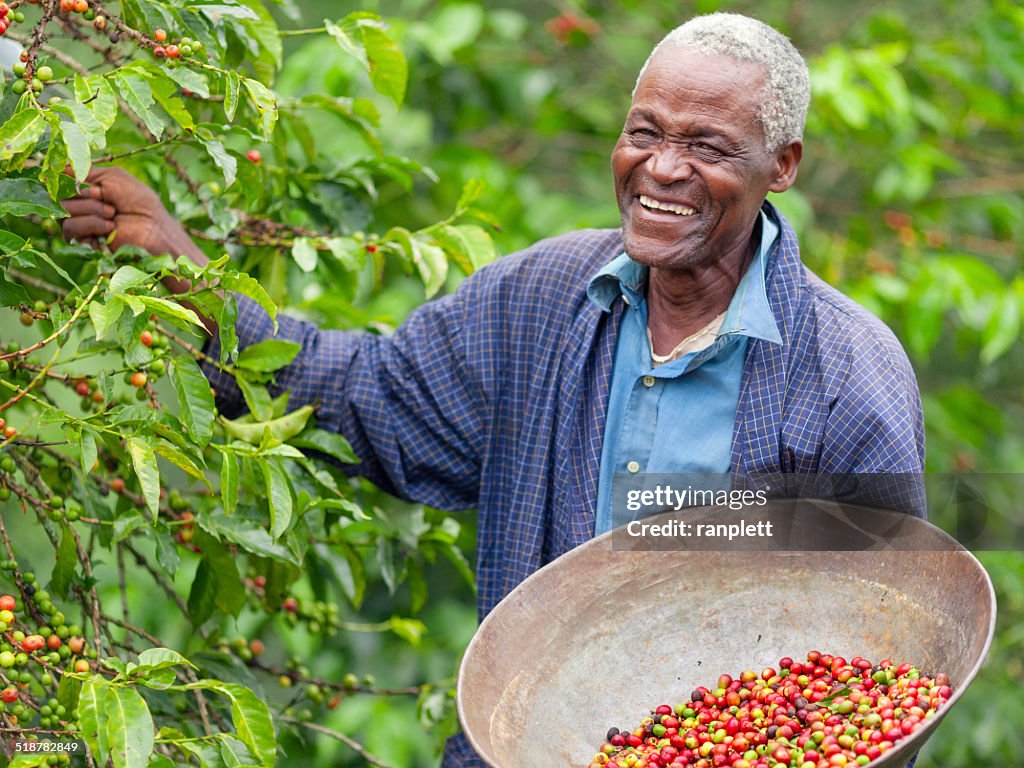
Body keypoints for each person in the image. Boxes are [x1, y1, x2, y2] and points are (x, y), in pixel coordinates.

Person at [63, 13, 924, 766]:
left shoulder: (848, 376)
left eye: (707, 147)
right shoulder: (540, 300)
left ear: (783, 166)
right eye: (645, 132)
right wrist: (191, 280)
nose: (662, 168)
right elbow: (366, 393)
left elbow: (884, 664)